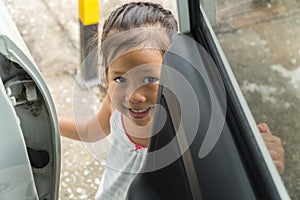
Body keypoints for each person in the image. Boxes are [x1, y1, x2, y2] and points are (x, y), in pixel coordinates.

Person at [59, 2, 284, 199]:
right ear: (106, 75)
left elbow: (223, 159)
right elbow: (91, 130)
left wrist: (259, 156)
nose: (133, 96)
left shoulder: (184, 123)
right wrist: (50, 122)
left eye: (149, 78)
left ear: (173, 75)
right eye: (120, 78)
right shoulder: (113, 103)